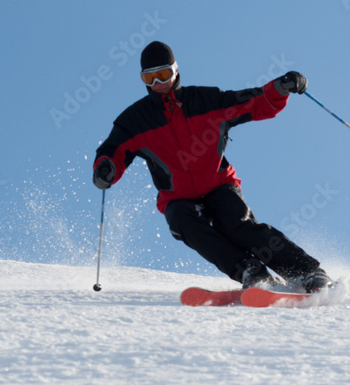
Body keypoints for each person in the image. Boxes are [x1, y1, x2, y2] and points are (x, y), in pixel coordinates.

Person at [92, 41, 333, 293]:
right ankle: (252, 272)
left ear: (175, 71)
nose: (158, 83)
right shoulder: (135, 120)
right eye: (149, 78)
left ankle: (307, 272)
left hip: (217, 183)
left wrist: (279, 88)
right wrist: (105, 168)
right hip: (177, 196)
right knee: (184, 223)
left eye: (163, 74)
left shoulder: (206, 100)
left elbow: (253, 102)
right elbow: (112, 150)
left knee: (237, 225)